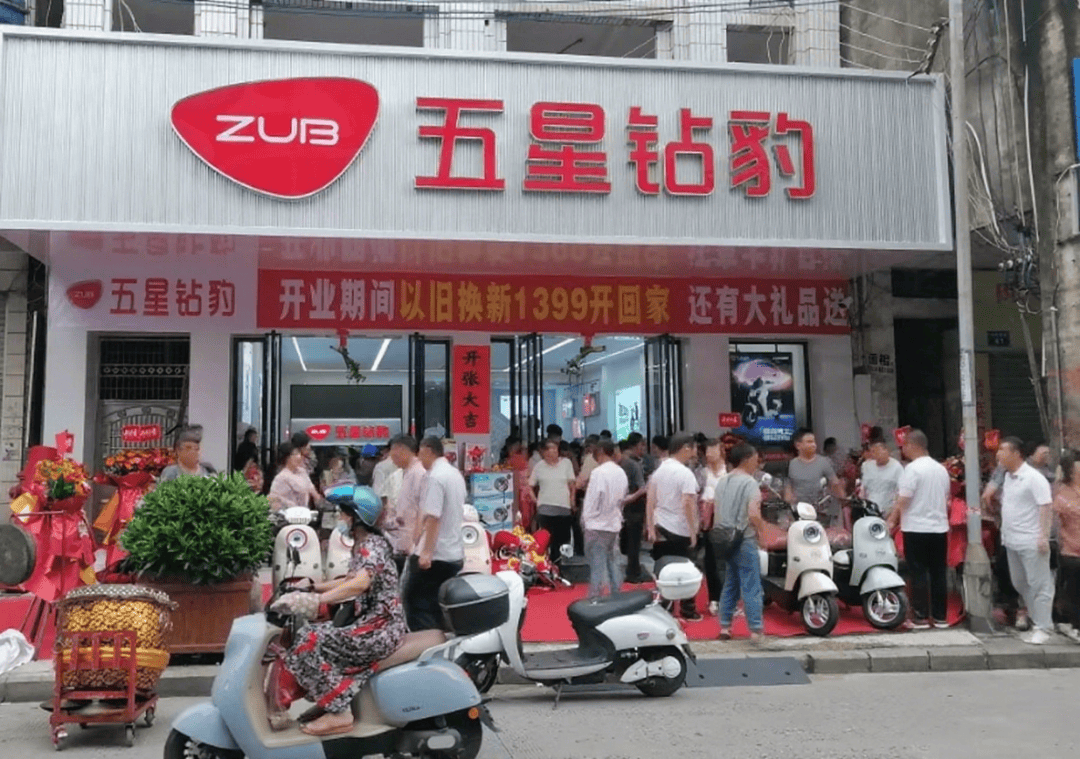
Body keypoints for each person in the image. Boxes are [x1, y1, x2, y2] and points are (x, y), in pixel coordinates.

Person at [278, 485, 406, 736]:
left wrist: (318, 600)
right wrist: (311, 587)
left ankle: (339, 712)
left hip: (380, 629)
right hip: (369, 624)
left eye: (344, 513)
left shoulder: (373, 546)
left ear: (357, 517)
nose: (340, 518)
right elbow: (349, 580)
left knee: (308, 640)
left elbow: (360, 583)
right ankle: (330, 700)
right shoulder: (363, 544)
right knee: (310, 634)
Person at [886, 429, 950, 629]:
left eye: (904, 445)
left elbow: (903, 499)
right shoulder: (941, 469)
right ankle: (940, 616)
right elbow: (946, 496)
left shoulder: (912, 469)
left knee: (918, 572)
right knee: (939, 572)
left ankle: (921, 616)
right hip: (939, 528)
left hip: (916, 527)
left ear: (913, 446)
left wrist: (892, 520)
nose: (903, 450)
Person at [403, 436, 465, 631]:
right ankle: (439, 640)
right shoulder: (455, 474)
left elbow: (433, 517)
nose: (419, 458)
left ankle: (426, 644)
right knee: (438, 606)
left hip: (437, 555)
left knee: (418, 604)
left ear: (428, 451)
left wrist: (426, 552)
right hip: (453, 551)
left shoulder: (435, 477)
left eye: (420, 453)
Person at [997, 436, 1055, 645]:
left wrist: (1043, 536)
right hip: (1012, 540)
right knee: (1020, 583)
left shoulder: (1033, 478)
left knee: (1039, 585)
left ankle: (1043, 627)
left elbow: (1045, 506)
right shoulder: (1008, 477)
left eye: (1003, 450)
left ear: (1016, 454)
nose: (998, 454)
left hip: (1031, 540)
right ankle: (1037, 620)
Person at [713, 442, 767, 642]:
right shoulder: (750, 483)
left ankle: (725, 627)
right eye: (755, 459)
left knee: (731, 582)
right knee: (751, 583)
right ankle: (755, 629)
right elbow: (753, 514)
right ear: (747, 459)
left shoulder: (722, 481)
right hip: (744, 538)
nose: (757, 463)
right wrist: (762, 532)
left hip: (723, 539)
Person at [646, 434, 702, 621]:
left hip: (661, 526)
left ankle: (664, 609)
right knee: (686, 570)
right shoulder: (685, 474)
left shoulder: (659, 471)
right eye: (694, 448)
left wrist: (651, 527)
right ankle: (688, 609)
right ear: (686, 448)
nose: (696, 452)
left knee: (663, 571)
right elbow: (688, 503)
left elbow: (650, 501)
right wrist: (693, 531)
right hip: (680, 529)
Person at [581, 440, 629, 598]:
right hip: (614, 523)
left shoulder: (598, 473)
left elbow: (593, 499)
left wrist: (586, 519)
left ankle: (595, 597)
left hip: (597, 524)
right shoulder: (621, 472)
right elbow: (622, 498)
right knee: (613, 562)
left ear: (600, 452)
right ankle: (616, 594)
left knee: (597, 565)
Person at [528, 439, 577, 562]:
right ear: (544, 452)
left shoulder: (566, 463)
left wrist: (572, 500)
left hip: (563, 507)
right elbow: (530, 486)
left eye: (555, 449)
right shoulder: (539, 466)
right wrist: (536, 501)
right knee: (546, 539)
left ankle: (560, 563)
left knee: (562, 539)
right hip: (545, 509)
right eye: (550, 450)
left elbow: (572, 484)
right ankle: (548, 564)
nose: (553, 452)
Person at [785, 428, 845, 525]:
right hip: (799, 512)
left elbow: (834, 483)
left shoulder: (824, 462)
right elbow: (789, 484)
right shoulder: (792, 464)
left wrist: (842, 497)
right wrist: (788, 499)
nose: (813, 445)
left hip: (821, 513)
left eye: (814, 442)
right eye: (809, 442)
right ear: (798, 445)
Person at [697, 438, 728, 616]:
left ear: (721, 451)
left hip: (728, 521)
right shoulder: (702, 473)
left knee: (727, 562)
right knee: (711, 561)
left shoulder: (729, 471)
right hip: (709, 522)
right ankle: (714, 599)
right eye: (707, 451)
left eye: (713, 450)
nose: (709, 454)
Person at [387, 434, 426, 573]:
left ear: (401, 450)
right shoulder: (407, 473)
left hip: (414, 544)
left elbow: (423, 510)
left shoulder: (419, 473)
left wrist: (416, 542)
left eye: (393, 455)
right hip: (404, 542)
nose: (392, 459)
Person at [1052, 449, 1080, 643]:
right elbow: (1055, 522)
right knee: (1073, 591)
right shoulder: (1061, 493)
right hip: (1070, 550)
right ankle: (1074, 625)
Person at [618, 438, 650, 583]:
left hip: (622, 506)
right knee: (634, 542)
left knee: (627, 540)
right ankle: (633, 572)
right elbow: (642, 487)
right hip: (634, 506)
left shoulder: (620, 464)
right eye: (641, 446)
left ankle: (630, 570)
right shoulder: (633, 464)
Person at [268, 442, 323, 517]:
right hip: (289, 516)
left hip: (304, 514)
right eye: (295, 454)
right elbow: (273, 500)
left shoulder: (302, 472)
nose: (299, 457)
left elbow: (313, 491)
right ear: (286, 457)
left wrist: (322, 503)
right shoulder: (281, 478)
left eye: (299, 453)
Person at [859, 437, 904, 518]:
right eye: (873, 452)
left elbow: (901, 491)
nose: (876, 455)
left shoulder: (897, 467)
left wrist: (894, 513)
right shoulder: (866, 466)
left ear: (887, 451)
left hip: (888, 511)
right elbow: (863, 488)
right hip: (869, 510)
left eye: (879, 452)